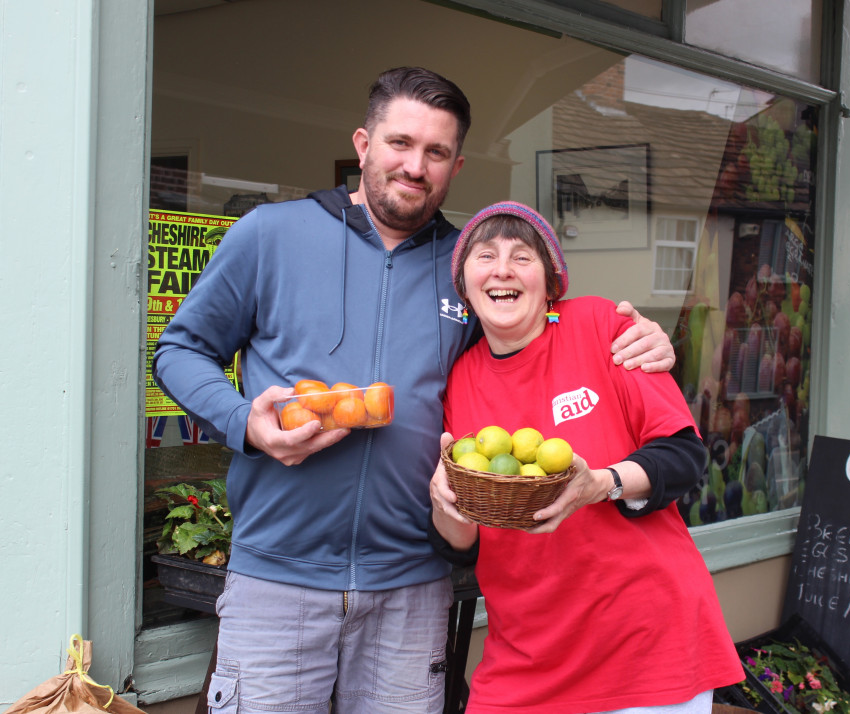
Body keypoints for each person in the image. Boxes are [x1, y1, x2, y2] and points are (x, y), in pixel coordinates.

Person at [153, 67, 676, 714]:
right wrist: (242, 422)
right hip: (278, 578)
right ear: (364, 143)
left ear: (456, 166)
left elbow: (545, 344)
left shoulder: (473, 267)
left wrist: (635, 340)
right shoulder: (271, 234)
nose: (414, 166)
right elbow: (179, 350)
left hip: (414, 587)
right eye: (400, 143)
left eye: (435, 152)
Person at [429, 201, 744, 714]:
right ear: (463, 285)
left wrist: (602, 483)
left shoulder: (603, 326)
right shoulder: (458, 379)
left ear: (552, 282)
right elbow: (464, 545)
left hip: (644, 646)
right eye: (484, 256)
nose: (502, 270)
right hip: (526, 655)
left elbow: (683, 456)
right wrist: (446, 505)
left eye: (522, 257)